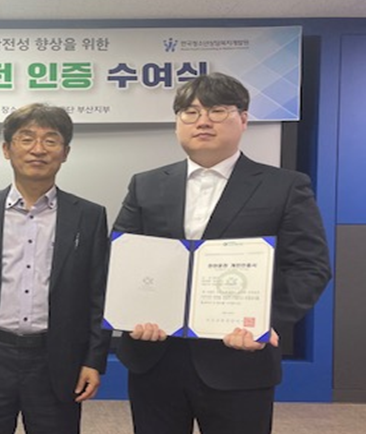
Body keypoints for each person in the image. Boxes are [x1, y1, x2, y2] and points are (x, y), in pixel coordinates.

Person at [113, 72, 332, 434]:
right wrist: (131, 313)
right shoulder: (146, 184)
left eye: (217, 111)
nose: (202, 121)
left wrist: (264, 321)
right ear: (177, 121)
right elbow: (124, 259)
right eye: (190, 112)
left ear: (243, 119)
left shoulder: (285, 186)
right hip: (155, 356)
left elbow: (309, 267)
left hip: (239, 359)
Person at [0, 103, 110, 434]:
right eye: (26, 138)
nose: (38, 149)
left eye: (51, 140)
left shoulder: (89, 216)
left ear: (65, 152)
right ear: (6, 149)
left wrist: (94, 360)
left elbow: (99, 293)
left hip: (56, 358)